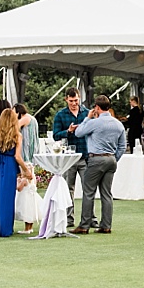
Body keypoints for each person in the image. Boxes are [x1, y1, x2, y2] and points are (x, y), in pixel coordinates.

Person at [71, 95, 126, 234]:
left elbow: (78, 132)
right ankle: (106, 225)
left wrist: (87, 117)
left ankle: (84, 225)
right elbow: (122, 146)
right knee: (106, 194)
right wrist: (114, 158)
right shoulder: (118, 124)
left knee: (89, 192)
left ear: (96, 107)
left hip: (96, 159)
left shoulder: (94, 122)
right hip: (111, 159)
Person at [0, 107, 34, 237]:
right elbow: (17, 156)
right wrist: (26, 170)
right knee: (7, 197)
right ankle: (5, 228)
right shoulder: (17, 135)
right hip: (9, 165)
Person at [50, 88, 88, 227]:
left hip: (85, 155)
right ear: (66, 99)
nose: (74, 103)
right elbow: (55, 135)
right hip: (69, 158)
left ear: (79, 99)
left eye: (76, 100)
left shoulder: (87, 113)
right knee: (68, 189)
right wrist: (68, 131)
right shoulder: (61, 115)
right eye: (71, 101)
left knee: (88, 189)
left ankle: (89, 218)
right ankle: (69, 218)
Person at [12, 103, 40, 234]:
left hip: (26, 158)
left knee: (26, 191)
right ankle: (28, 225)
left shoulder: (26, 118)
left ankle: (28, 225)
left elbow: (14, 127)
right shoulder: (33, 119)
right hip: (30, 157)